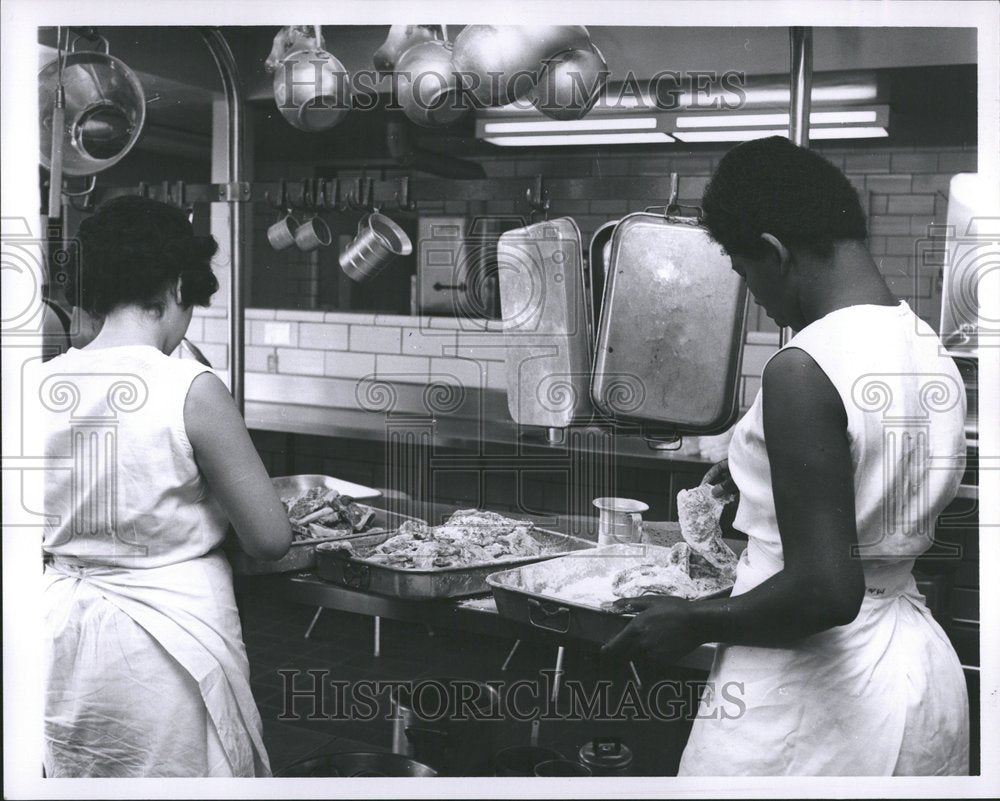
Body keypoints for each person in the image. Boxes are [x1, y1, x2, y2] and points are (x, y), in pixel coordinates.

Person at [604, 136, 969, 776]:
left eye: (745, 274)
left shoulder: (803, 367)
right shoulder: (926, 346)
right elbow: (870, 493)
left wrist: (692, 620)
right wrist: (762, 475)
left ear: (774, 252)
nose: (756, 297)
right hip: (913, 682)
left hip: (812, 703)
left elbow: (827, 589)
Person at [39, 196, 292, 777]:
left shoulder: (36, 383)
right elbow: (270, 538)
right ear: (178, 285)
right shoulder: (190, 386)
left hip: (62, 633)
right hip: (166, 646)